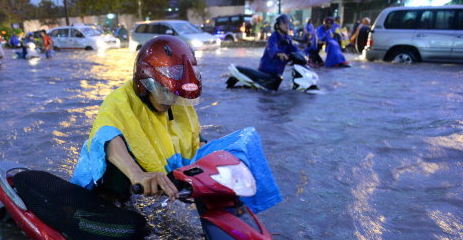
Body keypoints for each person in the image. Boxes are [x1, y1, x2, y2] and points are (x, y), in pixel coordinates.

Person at [71, 35, 281, 213]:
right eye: (165, 92)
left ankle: (248, 205)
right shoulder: (119, 101)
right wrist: (137, 174)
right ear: (144, 82)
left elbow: (192, 140)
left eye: (175, 94)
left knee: (244, 141)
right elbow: (107, 137)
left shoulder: (179, 103)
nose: (171, 99)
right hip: (116, 180)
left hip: (161, 173)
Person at [258, 14, 299, 79]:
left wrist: (303, 54)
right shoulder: (273, 37)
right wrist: (278, 53)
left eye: (288, 23)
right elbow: (272, 47)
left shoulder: (287, 38)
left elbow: (294, 48)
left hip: (277, 72)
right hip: (267, 70)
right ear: (277, 25)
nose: (287, 26)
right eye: (284, 23)